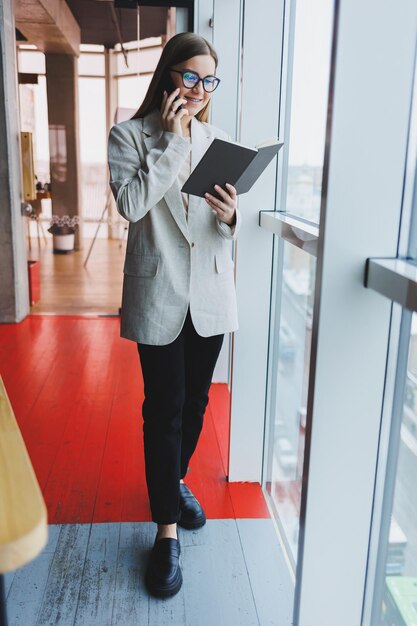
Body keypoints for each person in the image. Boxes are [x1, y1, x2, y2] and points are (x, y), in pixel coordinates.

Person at [107, 32, 241, 599]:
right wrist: (171, 142)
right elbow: (133, 205)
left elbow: (213, 232)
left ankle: (174, 480)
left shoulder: (219, 141)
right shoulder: (129, 136)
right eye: (190, 77)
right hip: (160, 293)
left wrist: (231, 216)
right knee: (163, 410)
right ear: (168, 77)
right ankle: (165, 530)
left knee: (195, 406)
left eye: (208, 80)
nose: (199, 89)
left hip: (209, 295)